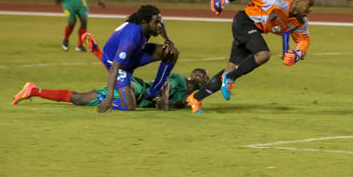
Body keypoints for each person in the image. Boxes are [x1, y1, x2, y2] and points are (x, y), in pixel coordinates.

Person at [185, 0, 315, 114]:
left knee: (231, 68)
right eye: (308, 5)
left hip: (253, 30)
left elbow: (304, 39)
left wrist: (298, 54)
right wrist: (224, 0)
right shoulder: (274, 1)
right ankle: (230, 77)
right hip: (244, 22)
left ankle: (195, 98)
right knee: (263, 54)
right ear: (297, 2)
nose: (310, 9)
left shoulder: (300, 22)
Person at [97, 5, 179, 113]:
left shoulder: (147, 23)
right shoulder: (130, 38)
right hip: (119, 64)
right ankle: (103, 99)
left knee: (171, 52)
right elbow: (114, 67)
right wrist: (109, 96)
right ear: (144, 23)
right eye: (156, 23)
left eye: (159, 21)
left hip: (136, 52)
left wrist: (167, 39)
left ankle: (153, 93)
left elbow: (161, 25)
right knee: (129, 106)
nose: (159, 25)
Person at [11, 68, 209, 110]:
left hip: (138, 100)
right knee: (130, 97)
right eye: (202, 76)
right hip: (137, 87)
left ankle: (34, 90)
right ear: (193, 76)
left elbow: (170, 105)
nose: (204, 79)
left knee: (79, 99)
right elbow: (165, 91)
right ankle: (101, 55)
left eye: (206, 78)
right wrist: (164, 99)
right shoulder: (179, 80)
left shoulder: (186, 98)